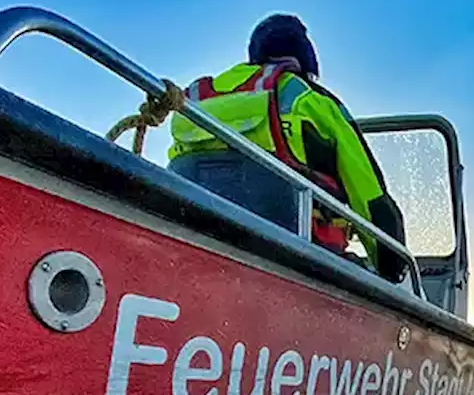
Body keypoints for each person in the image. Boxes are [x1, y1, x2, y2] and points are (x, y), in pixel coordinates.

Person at [168, 14, 407, 283]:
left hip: (193, 253)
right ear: (304, 60)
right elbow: (369, 197)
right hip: (295, 266)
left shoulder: (196, 100)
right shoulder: (310, 100)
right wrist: (393, 266)